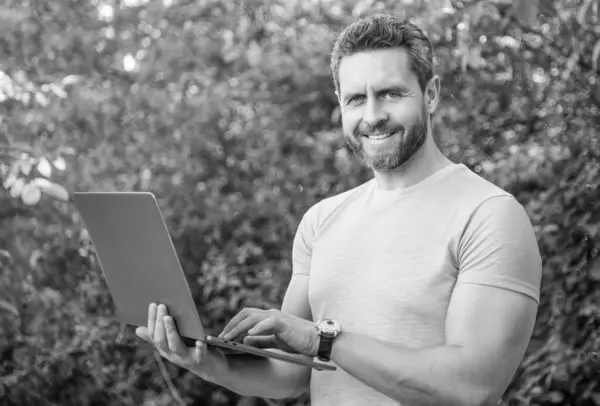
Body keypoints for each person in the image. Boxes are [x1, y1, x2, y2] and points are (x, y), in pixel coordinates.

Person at [136, 14, 542, 406]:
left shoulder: (488, 215)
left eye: (391, 93)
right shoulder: (321, 221)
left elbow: (471, 387)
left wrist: (323, 339)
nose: (372, 116)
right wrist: (208, 362)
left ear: (431, 94)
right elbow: (293, 375)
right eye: (355, 99)